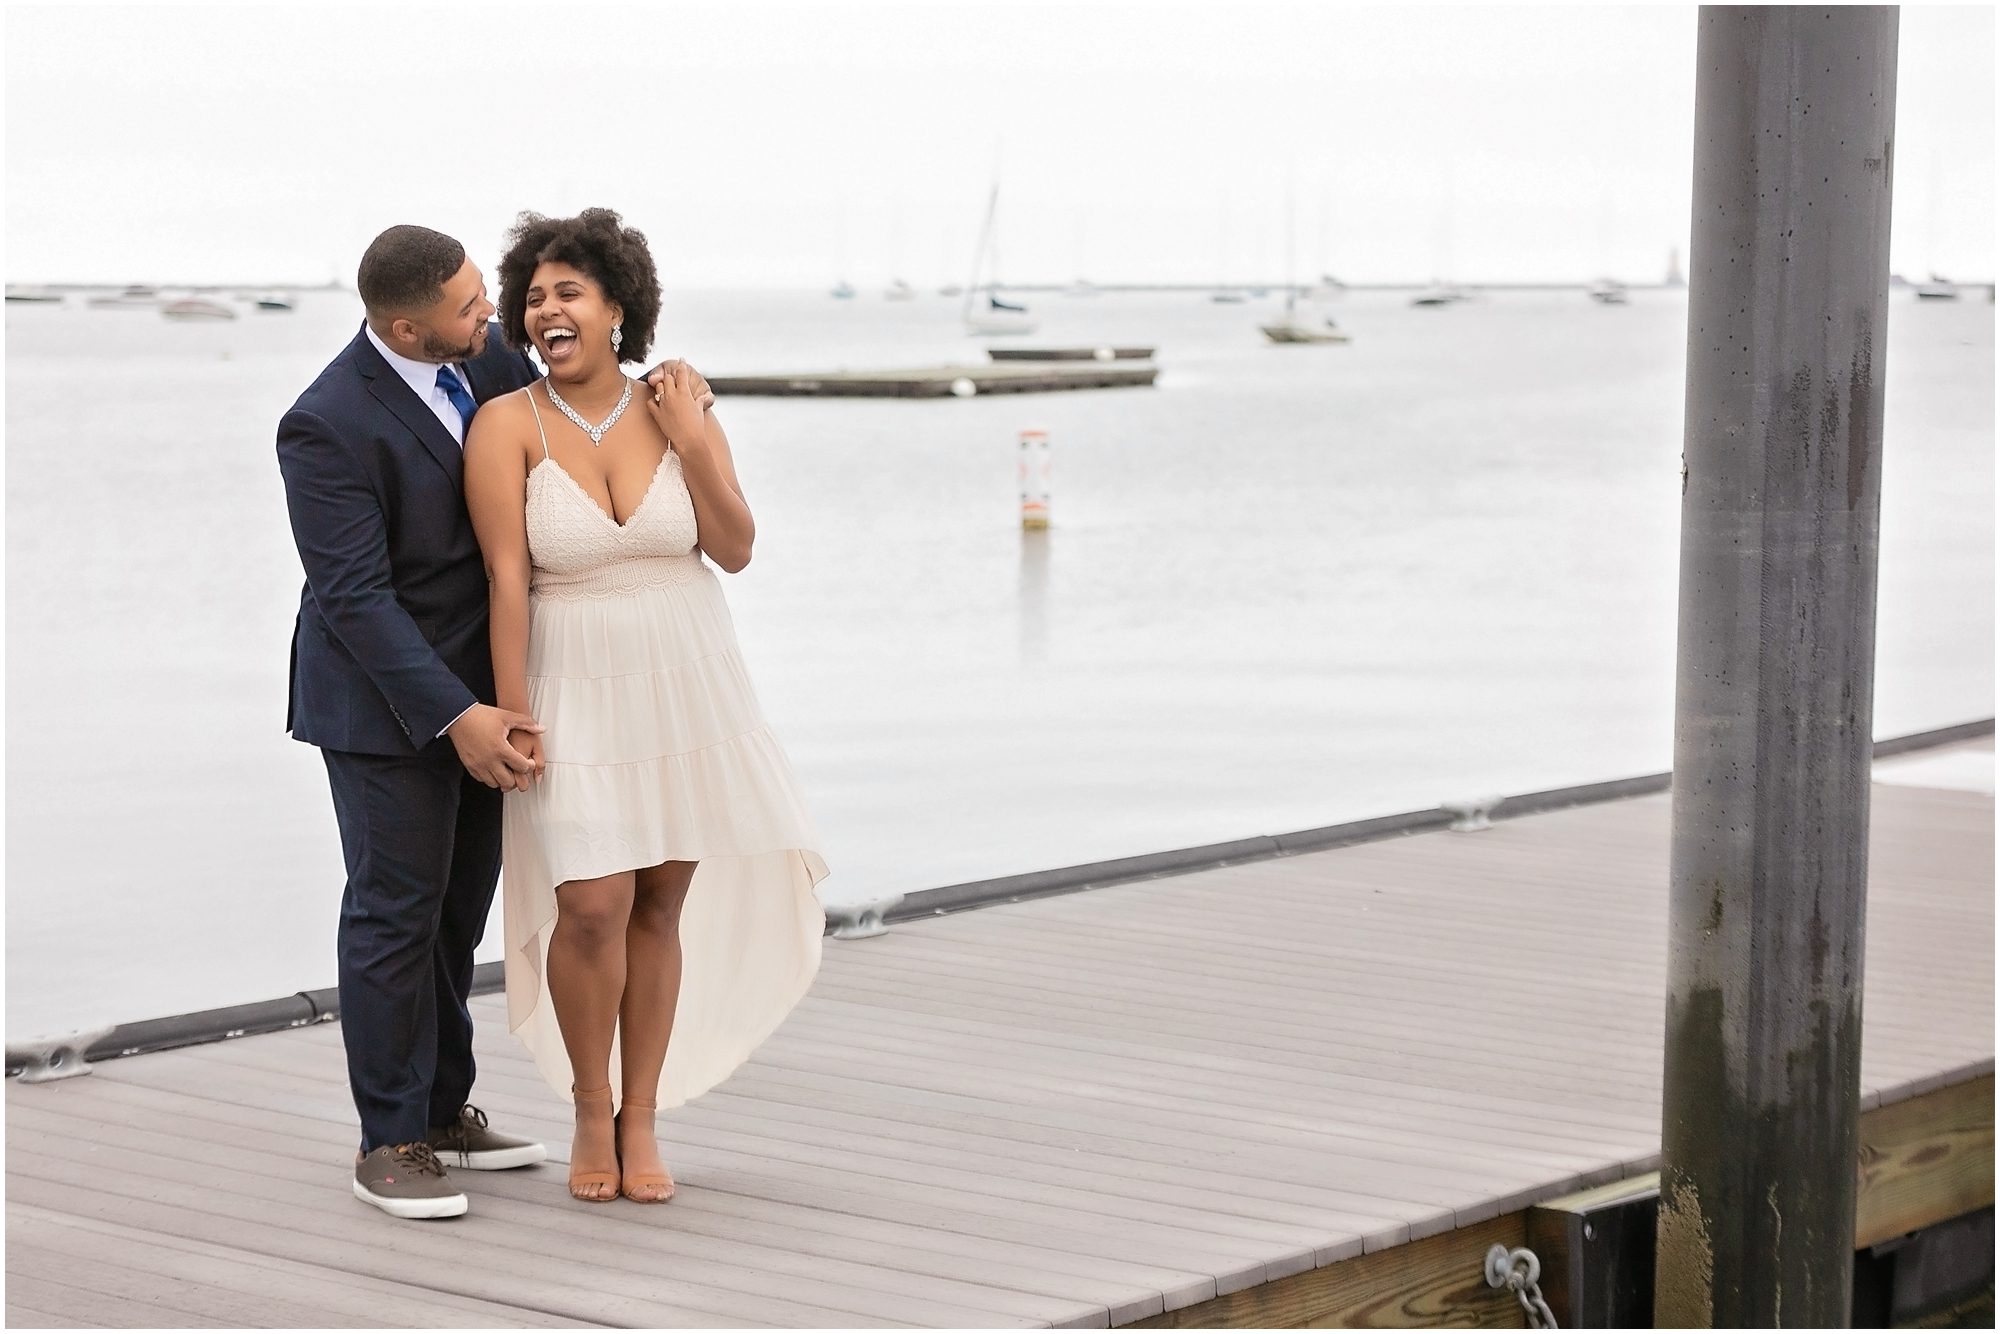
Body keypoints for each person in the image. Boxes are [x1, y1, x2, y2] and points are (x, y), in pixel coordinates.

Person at [275, 224, 715, 1219]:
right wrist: (456, 714)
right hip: (387, 709)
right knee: (394, 911)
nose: (496, 316)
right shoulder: (327, 422)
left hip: (498, 695)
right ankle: (387, 1138)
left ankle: (439, 1108)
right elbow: (354, 597)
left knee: (453, 911)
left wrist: (676, 392)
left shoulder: (487, 361)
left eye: (487, 295)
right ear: (404, 324)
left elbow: (589, 373)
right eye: (470, 306)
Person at [462, 208, 827, 1204]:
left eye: (567, 290)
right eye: (533, 297)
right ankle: (589, 1105)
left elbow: (736, 545)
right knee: (590, 903)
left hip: (688, 673)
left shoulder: (677, 404)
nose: (547, 310)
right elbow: (504, 580)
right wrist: (509, 710)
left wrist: (691, 436)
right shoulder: (506, 424)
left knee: (660, 901)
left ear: (618, 304)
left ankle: (641, 1115)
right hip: (570, 678)